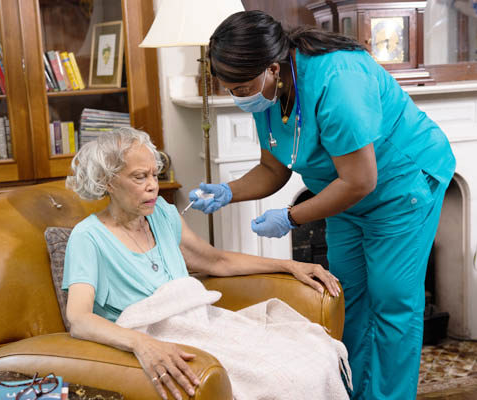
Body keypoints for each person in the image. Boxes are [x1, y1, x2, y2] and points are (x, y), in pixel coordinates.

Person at [188, 10, 456, 400]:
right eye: (230, 88)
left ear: (273, 68)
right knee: (348, 299)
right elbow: (273, 167)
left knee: (393, 302)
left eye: (242, 88)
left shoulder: (337, 81)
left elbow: (362, 179)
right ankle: (351, 393)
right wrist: (229, 191)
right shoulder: (270, 93)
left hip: (402, 184)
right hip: (343, 191)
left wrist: (291, 216)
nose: (237, 96)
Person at [62, 127, 342, 400]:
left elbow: (215, 260)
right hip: (150, 335)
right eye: (139, 177)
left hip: (198, 324)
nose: (152, 185)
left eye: (154, 175)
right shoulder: (88, 237)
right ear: (107, 181)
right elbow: (79, 320)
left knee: (313, 355)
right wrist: (143, 344)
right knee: (272, 378)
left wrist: (288, 265)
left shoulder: (162, 213)